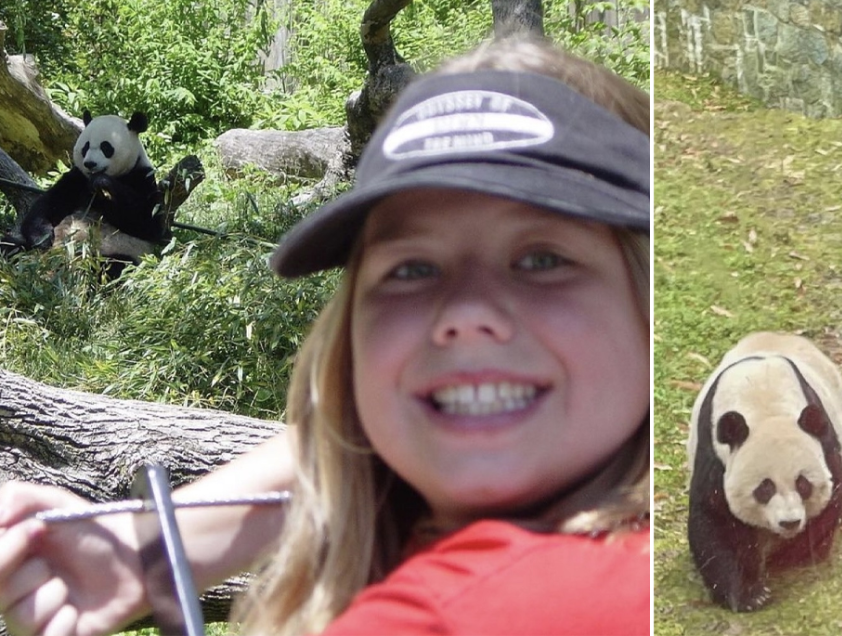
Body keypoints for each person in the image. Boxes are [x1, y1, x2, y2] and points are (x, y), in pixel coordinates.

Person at [0, 36, 651, 636]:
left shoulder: (437, 616)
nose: (465, 314)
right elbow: (361, 435)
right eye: (411, 269)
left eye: (542, 260)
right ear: (351, 337)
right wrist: (150, 551)